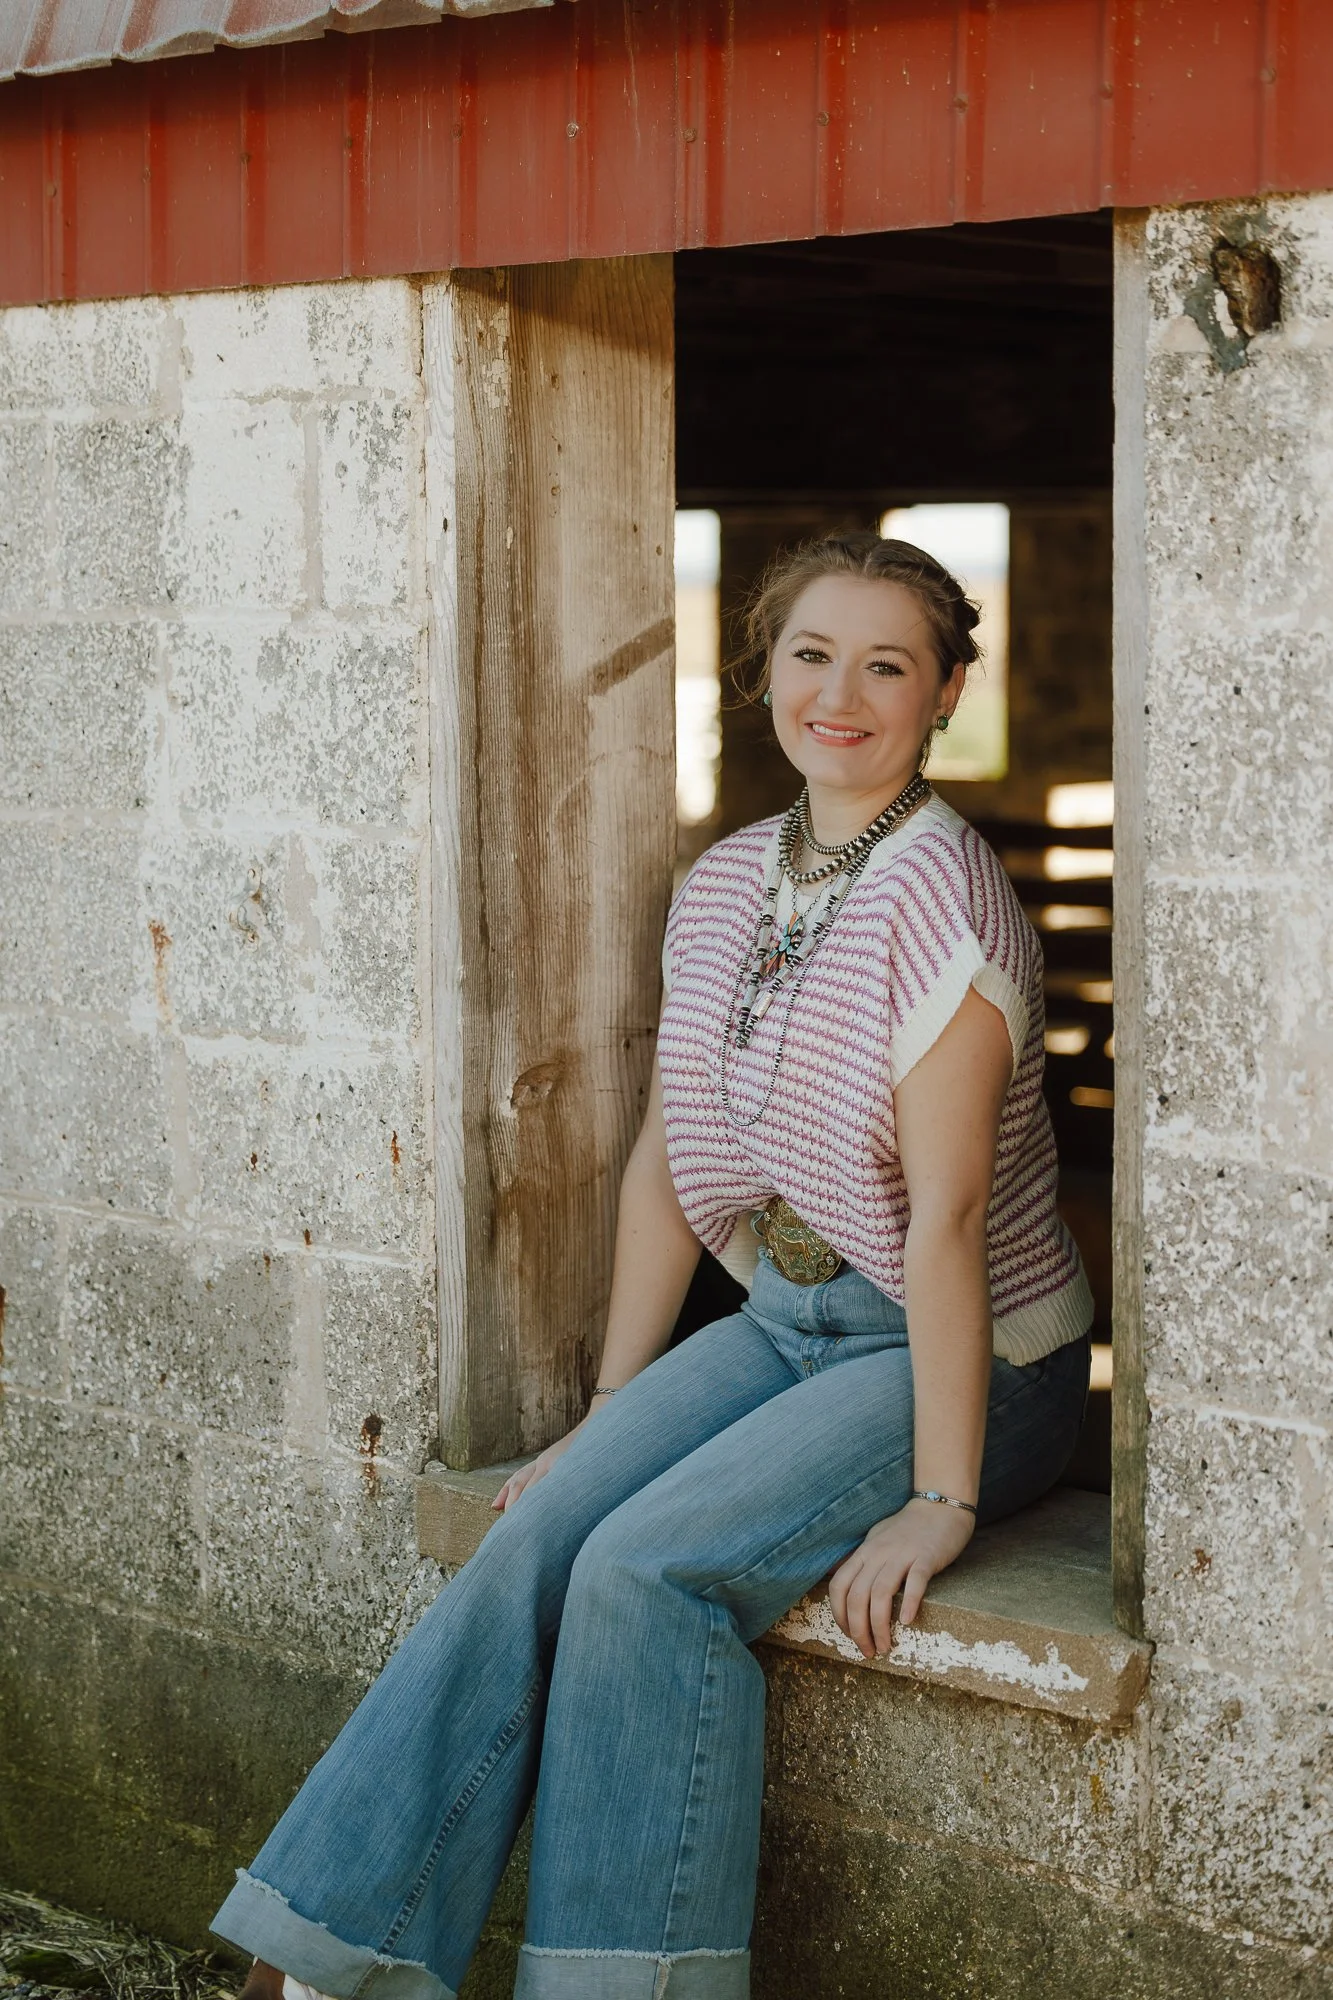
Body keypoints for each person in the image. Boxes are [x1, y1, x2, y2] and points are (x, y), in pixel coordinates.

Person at [212, 532, 1093, 2000]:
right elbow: (669, 1168)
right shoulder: (730, 877)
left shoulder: (946, 899)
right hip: (789, 1315)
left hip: (968, 1352)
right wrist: (604, 1421)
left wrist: (943, 1502)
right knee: (543, 1528)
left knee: (642, 1571)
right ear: (764, 676)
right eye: (813, 655)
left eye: (889, 664)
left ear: (945, 693)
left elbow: (941, 1227)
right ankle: (329, 1959)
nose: (843, 692)